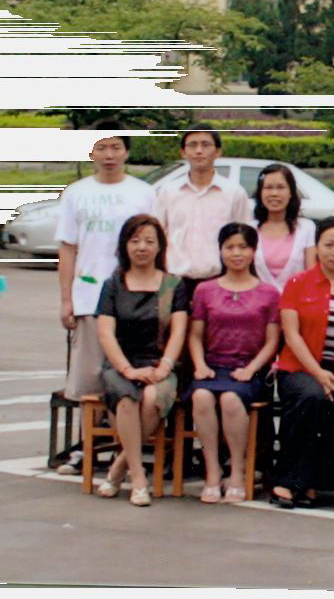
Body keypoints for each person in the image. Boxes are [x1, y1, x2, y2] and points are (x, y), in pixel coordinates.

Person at [271, 217, 334, 509]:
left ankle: (327, 482)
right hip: (300, 369)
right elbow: (291, 335)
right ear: (317, 247)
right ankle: (289, 482)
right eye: (329, 245)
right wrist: (318, 373)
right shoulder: (297, 284)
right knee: (311, 396)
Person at [55, 128, 156, 424]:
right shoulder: (76, 193)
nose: (109, 155)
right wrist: (66, 300)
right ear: (90, 153)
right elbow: (68, 249)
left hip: (134, 298)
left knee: (128, 379)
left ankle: (123, 441)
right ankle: (89, 444)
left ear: (127, 151)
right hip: (88, 297)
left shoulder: (144, 193)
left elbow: (156, 244)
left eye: (115, 147)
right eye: (101, 147)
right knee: (91, 380)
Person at [93, 214, 190, 507]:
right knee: (126, 397)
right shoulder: (113, 284)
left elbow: (179, 331)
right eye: (135, 241)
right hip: (121, 363)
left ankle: (117, 469)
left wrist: (165, 366)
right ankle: (138, 479)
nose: (142, 247)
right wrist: (127, 370)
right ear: (125, 245)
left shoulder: (174, 284)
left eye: (149, 241)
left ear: (160, 246)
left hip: (160, 363)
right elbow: (105, 333)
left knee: (150, 399)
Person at [187, 223, 281, 503]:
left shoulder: (269, 293)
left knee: (230, 399)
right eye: (230, 247)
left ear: (253, 251)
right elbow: (195, 335)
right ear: (220, 251)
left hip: (250, 369)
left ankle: (238, 471)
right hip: (213, 365)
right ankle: (213, 471)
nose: (236, 253)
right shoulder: (205, 290)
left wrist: (252, 369)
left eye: (243, 247)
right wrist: (200, 365)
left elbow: (272, 341)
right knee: (201, 397)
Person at [154, 128, 252, 291]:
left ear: (218, 151)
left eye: (206, 145)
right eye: (192, 145)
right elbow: (157, 234)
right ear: (183, 152)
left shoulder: (234, 193)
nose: (199, 151)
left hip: (220, 280)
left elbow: (245, 239)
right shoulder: (168, 192)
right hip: (173, 280)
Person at [250, 163, 316, 290]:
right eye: (268, 187)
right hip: (259, 300)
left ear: (291, 192)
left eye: (281, 187)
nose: (274, 193)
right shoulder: (250, 230)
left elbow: (311, 273)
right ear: (260, 193)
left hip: (296, 300)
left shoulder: (306, 228)